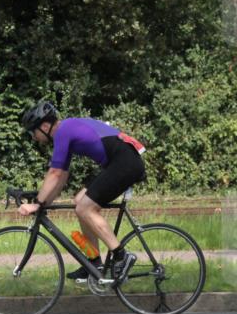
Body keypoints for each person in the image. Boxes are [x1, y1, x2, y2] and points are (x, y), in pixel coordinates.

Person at [17, 100, 146, 282]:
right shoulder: (66, 131)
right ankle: (93, 264)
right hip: (121, 161)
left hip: (125, 162)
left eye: (33, 131)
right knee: (80, 201)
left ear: (45, 126)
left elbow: (54, 173)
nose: (33, 137)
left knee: (85, 208)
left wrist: (37, 204)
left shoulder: (63, 131)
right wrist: (44, 204)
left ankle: (121, 256)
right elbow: (61, 179)